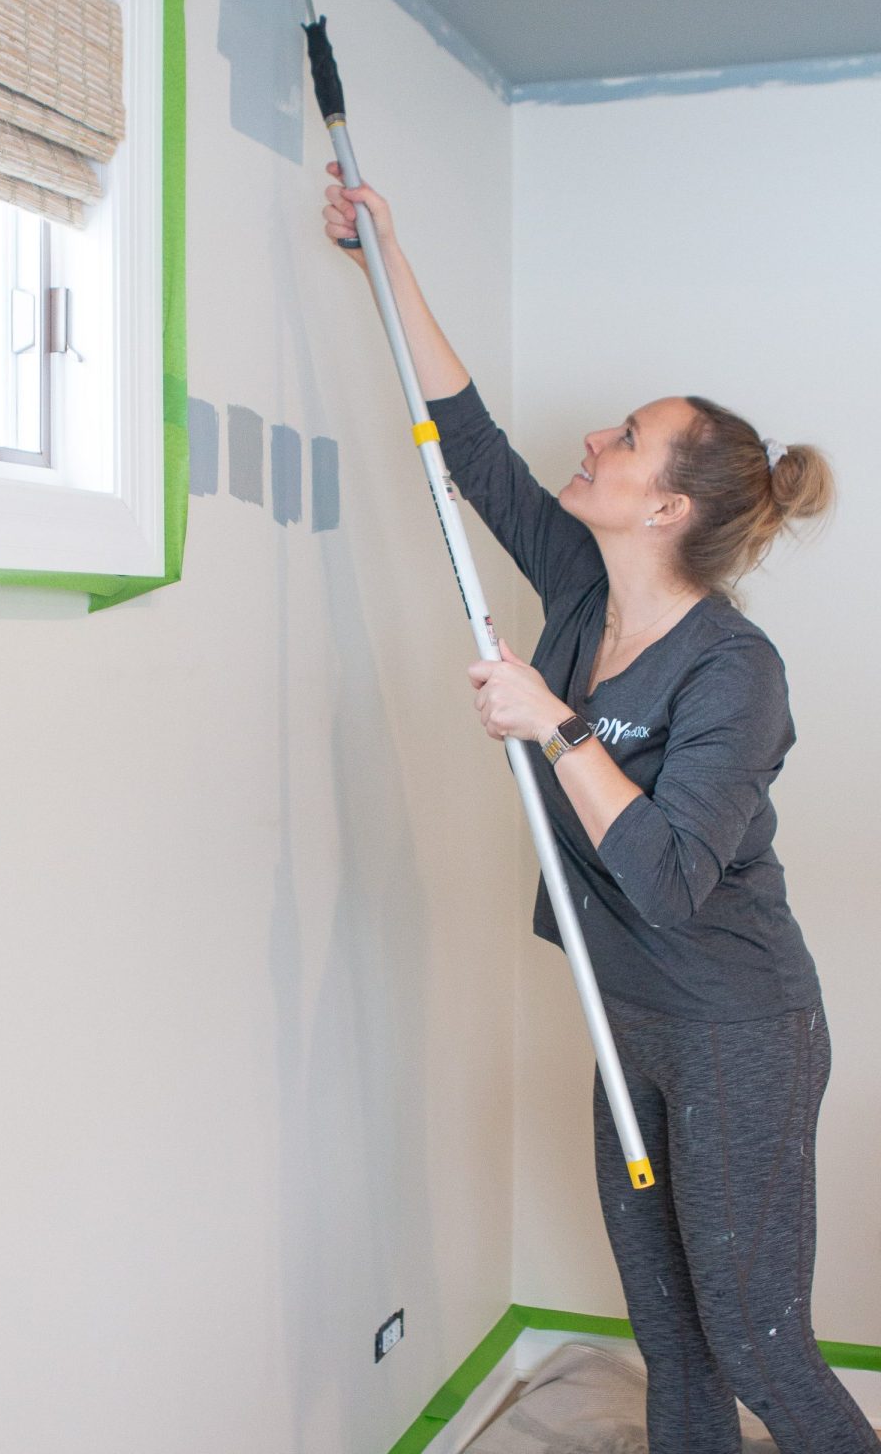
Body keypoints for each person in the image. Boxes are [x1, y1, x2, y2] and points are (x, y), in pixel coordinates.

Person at [323, 165, 878, 1454]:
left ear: (669, 507)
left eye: (624, 439)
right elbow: (468, 445)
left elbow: (672, 874)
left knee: (754, 1341)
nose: (594, 440)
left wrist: (555, 725)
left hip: (738, 1030)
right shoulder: (579, 587)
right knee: (669, 1334)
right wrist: (384, 256)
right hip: (622, 1011)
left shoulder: (736, 670)